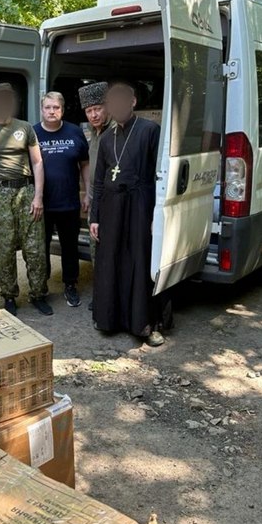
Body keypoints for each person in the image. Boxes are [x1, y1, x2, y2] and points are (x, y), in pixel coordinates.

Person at [89, 82, 172, 347]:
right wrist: (95, 217)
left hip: (140, 205)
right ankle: (110, 320)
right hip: (112, 207)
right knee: (111, 261)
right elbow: (99, 182)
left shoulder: (150, 130)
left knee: (139, 262)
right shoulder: (105, 139)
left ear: (132, 102)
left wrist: (156, 216)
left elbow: (161, 177)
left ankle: (145, 324)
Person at [0, 83, 51, 316]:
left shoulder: (25, 128)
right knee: (4, 249)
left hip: (26, 191)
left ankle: (38, 294)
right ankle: (9, 296)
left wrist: (38, 196)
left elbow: (37, 162)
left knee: (35, 248)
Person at [33, 92, 89, 307]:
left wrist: (88, 193)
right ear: (42, 109)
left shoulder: (74, 132)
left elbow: (84, 163)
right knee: (41, 247)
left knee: (69, 246)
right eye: (48, 107)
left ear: (62, 110)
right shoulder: (33, 133)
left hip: (69, 202)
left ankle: (70, 284)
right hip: (41, 204)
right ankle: (41, 286)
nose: (52, 111)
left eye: (56, 107)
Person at [78, 81, 116, 310]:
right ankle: (101, 294)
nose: (93, 115)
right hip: (96, 203)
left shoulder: (116, 132)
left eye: (97, 109)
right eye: (89, 111)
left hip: (113, 203)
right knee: (96, 251)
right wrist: (88, 196)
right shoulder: (94, 133)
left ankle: (112, 297)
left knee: (112, 252)